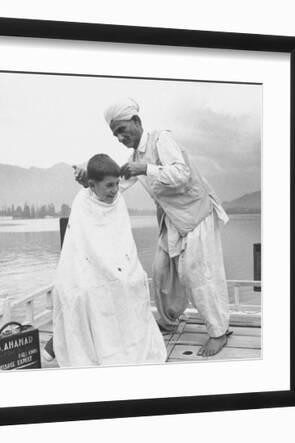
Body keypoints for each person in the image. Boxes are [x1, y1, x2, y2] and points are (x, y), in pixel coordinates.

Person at [75, 98, 231, 357]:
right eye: (115, 134)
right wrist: (88, 182)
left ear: (137, 122)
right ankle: (169, 321)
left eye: (123, 130)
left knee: (199, 275)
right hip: (172, 221)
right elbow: (114, 189)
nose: (120, 137)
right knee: (160, 272)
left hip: (197, 214)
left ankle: (219, 332)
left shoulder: (161, 140)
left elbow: (181, 173)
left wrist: (146, 168)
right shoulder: (134, 158)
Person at [51, 154, 167, 367]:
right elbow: (80, 247)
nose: (115, 190)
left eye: (117, 184)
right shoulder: (82, 202)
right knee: (85, 292)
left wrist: (120, 271)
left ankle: (127, 345)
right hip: (87, 270)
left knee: (134, 282)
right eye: (109, 186)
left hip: (119, 267)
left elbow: (123, 242)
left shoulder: (118, 200)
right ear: (92, 185)